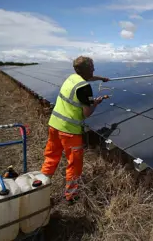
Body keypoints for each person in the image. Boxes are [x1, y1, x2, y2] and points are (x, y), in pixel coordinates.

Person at [40, 56, 109, 203]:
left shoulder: (71, 78)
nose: (94, 69)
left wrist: (101, 78)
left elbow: (87, 79)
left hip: (54, 125)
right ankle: (71, 196)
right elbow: (87, 113)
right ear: (86, 69)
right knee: (74, 164)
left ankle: (40, 186)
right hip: (69, 132)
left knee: (52, 156)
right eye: (92, 68)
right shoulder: (84, 88)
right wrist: (96, 103)